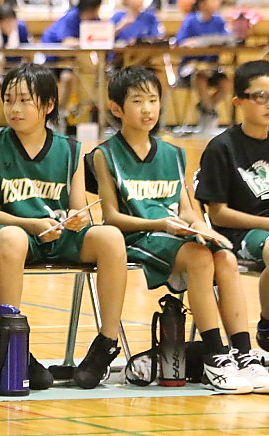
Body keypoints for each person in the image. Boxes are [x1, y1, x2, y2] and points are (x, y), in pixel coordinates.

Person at [92, 66, 269, 394]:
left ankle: (244, 354)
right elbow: (112, 217)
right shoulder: (105, 155)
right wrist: (161, 223)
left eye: (153, 100)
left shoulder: (173, 153)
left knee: (225, 257)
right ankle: (215, 357)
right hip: (138, 236)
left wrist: (204, 230)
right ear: (117, 108)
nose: (147, 109)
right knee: (199, 258)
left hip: (173, 236)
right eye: (137, 101)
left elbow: (189, 212)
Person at [0, 64, 128, 390]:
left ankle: (106, 343)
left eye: (24, 100)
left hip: (58, 236)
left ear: (47, 105)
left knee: (111, 237)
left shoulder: (71, 149)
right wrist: (31, 224)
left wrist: (77, 217)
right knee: (12, 237)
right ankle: (13, 344)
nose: (14, 109)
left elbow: (77, 206)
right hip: (12, 234)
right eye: (8, 100)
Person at [194, 60, 269, 353]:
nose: (267, 103)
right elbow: (217, 213)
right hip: (242, 233)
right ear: (238, 101)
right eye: (260, 96)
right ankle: (267, 324)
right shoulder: (222, 147)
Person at [40, 0, 102, 126]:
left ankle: (60, 114)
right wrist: (87, 41)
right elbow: (67, 41)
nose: (96, 13)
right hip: (53, 57)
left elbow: (101, 37)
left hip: (71, 60)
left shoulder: (95, 19)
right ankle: (50, 116)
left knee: (69, 78)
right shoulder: (71, 18)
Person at [175, 0, 231, 133]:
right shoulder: (190, 20)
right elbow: (181, 43)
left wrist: (206, 41)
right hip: (190, 68)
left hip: (212, 67)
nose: (218, 2)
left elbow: (228, 39)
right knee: (200, 77)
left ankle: (205, 107)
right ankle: (210, 113)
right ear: (202, 3)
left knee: (226, 83)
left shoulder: (219, 20)